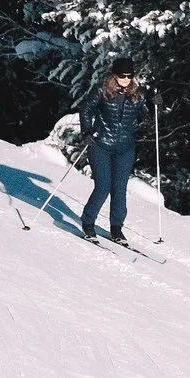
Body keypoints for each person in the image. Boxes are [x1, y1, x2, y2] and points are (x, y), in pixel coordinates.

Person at [76, 59, 147, 244]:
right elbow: (86, 109)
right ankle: (88, 223)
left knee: (119, 189)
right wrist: (86, 131)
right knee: (103, 187)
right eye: (122, 75)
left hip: (125, 148)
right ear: (114, 75)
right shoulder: (102, 90)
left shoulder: (137, 95)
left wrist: (157, 106)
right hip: (101, 145)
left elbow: (146, 118)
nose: (125, 79)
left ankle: (116, 229)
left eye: (129, 76)